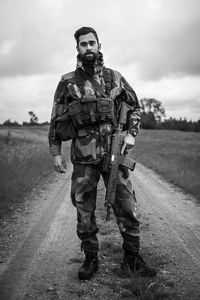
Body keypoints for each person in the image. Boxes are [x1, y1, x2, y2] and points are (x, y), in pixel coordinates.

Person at [48, 26, 156, 280]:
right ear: (77, 48)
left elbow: (135, 107)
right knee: (84, 208)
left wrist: (131, 134)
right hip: (83, 157)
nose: (88, 47)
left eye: (91, 43)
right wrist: (55, 153)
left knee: (127, 205)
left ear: (99, 45)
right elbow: (55, 120)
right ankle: (90, 258)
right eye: (83, 44)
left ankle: (132, 258)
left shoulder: (115, 77)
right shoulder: (67, 82)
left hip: (115, 153)